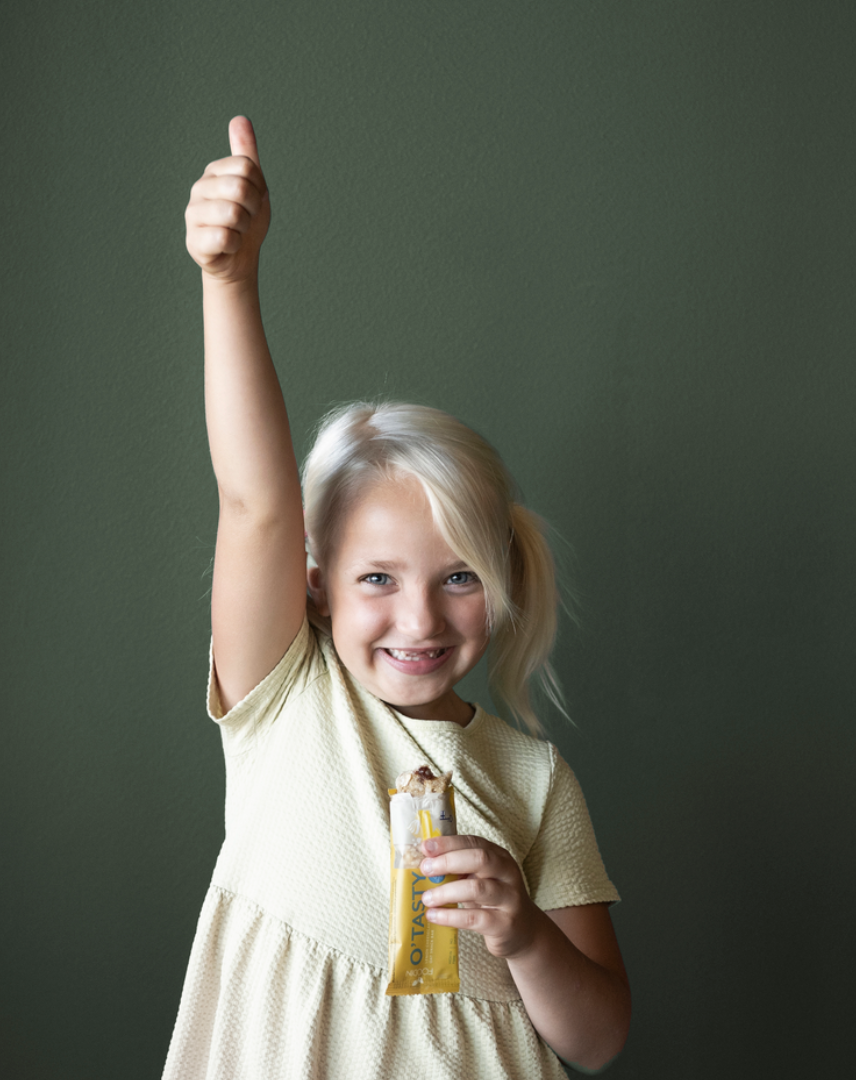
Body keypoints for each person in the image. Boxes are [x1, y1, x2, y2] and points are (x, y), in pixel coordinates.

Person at [162, 116, 631, 1080]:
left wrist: (525, 932)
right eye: (378, 579)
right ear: (317, 589)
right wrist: (230, 281)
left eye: (459, 577)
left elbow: (598, 1038)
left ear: (499, 585)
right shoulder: (287, 700)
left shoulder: (537, 783)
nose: (419, 620)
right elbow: (255, 500)